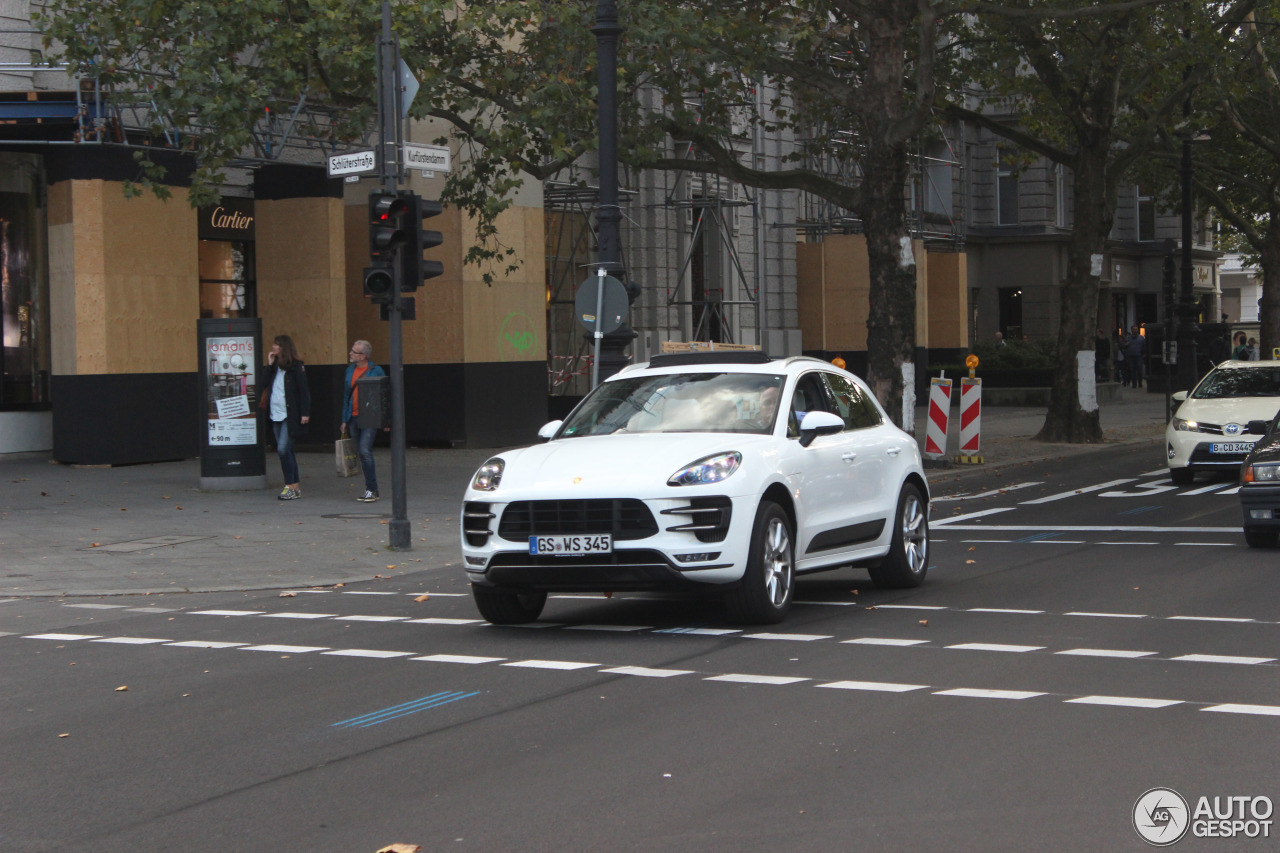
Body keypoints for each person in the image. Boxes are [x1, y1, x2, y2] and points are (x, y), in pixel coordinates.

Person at [262, 335, 310, 500]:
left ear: (284, 348)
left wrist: (305, 413)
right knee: (287, 450)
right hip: (275, 413)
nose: (273, 347)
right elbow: (263, 383)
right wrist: (268, 365)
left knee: (282, 449)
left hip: (290, 415)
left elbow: (304, 391)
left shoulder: (296, 366)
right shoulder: (275, 366)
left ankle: (289, 485)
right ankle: (295, 487)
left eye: (276, 345)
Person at [342, 340, 386, 502]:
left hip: (369, 417)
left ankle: (372, 489)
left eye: (354, 351)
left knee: (365, 451)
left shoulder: (375, 371)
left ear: (363, 356)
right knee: (361, 452)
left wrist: (385, 420)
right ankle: (370, 488)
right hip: (353, 416)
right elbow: (346, 395)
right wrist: (344, 419)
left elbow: (384, 395)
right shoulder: (349, 371)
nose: (350, 353)